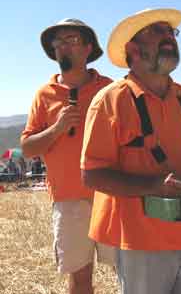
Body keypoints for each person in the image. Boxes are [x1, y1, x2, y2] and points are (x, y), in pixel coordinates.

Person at [80, 8, 181, 294]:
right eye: (156, 31)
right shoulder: (109, 101)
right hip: (141, 241)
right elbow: (92, 175)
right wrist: (153, 186)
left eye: (170, 32)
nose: (168, 37)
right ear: (132, 49)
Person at [20, 18, 115, 294]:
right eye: (58, 43)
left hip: (112, 194)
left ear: (88, 48)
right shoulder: (44, 94)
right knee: (80, 279)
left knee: (127, 271)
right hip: (68, 200)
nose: (63, 48)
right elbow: (27, 149)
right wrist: (58, 128)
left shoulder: (110, 89)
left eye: (71, 40)